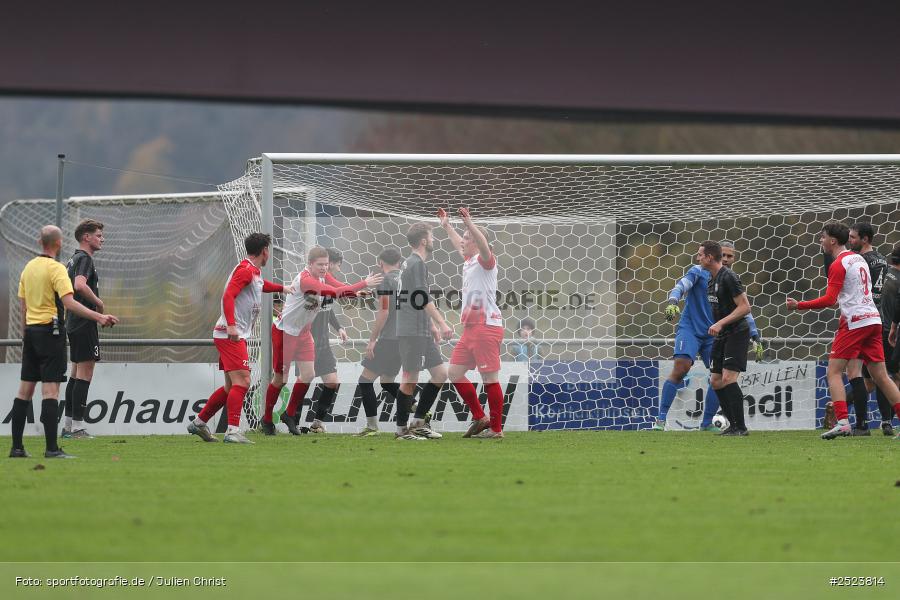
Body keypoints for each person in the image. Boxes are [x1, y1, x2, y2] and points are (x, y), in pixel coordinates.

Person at [9, 225, 117, 459]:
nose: (102, 239)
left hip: (30, 333)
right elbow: (70, 300)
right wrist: (99, 313)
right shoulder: (57, 268)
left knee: (24, 391)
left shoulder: (28, 268)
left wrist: (25, 335)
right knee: (51, 390)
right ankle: (54, 446)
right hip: (52, 331)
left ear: (40, 242)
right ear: (58, 244)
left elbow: (23, 305)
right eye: (99, 235)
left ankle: (17, 448)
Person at [786, 222, 900, 440]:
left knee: (834, 371)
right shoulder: (859, 259)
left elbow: (829, 300)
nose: (820, 241)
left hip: (855, 322)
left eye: (822, 237)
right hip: (873, 320)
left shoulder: (839, 264)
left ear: (832, 241)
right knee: (882, 377)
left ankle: (842, 422)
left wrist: (798, 305)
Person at [260, 246, 379, 435]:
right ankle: (266, 419)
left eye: (326, 264)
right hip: (286, 332)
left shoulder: (322, 276)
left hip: (304, 332)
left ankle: (289, 415)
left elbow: (338, 288)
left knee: (308, 374)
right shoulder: (306, 280)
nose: (324, 268)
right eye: (320, 265)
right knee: (280, 379)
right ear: (309, 264)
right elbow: (333, 292)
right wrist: (364, 282)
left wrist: (354, 293)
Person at [187, 233, 292, 444]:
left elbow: (262, 286)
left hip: (230, 334)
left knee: (230, 387)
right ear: (264, 251)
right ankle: (232, 431)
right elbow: (228, 296)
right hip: (230, 335)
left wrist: (283, 288)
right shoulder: (245, 271)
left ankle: (199, 423)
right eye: (268, 250)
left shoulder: (252, 271)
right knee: (243, 381)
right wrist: (232, 325)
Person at [440, 207, 506, 438]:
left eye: (468, 238)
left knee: (490, 379)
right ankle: (480, 418)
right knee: (455, 372)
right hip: (470, 329)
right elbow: (460, 242)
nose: (463, 240)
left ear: (479, 243)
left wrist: (470, 223)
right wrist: (447, 226)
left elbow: (482, 244)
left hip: (487, 326)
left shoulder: (487, 261)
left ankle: (496, 430)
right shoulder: (469, 261)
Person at [394, 222, 453, 440]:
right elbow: (420, 298)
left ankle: (418, 423)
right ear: (423, 241)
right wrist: (442, 323)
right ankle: (401, 431)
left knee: (440, 374)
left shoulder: (410, 263)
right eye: (432, 236)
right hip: (411, 330)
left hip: (420, 328)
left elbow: (412, 297)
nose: (434, 239)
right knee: (409, 379)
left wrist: (430, 326)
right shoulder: (415, 263)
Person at [845, 223, 894, 435]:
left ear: (865, 239)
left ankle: (860, 423)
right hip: (881, 321)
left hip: (862, 320)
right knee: (877, 377)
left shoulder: (859, 261)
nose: (850, 241)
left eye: (853, 237)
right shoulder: (883, 259)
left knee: (862, 375)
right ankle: (886, 422)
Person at [699, 241, 752, 436]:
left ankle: (741, 427)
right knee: (716, 381)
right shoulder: (711, 279)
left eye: (700, 255)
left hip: (737, 332)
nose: (698, 258)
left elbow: (745, 307)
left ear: (710, 257)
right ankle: (733, 425)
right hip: (722, 335)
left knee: (729, 378)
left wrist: (721, 323)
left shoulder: (729, 277)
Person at [351, 247, 404, 437]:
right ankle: (416, 406)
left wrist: (372, 340)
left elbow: (384, 311)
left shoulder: (385, 280)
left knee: (365, 381)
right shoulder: (407, 279)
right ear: (399, 262)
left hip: (388, 339)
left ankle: (372, 427)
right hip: (405, 339)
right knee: (388, 381)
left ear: (380, 263)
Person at [62, 219, 106, 440]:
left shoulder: (73, 259)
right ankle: (77, 427)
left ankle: (69, 425)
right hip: (83, 322)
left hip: (73, 321)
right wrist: (98, 302)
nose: (102, 238)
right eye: (98, 235)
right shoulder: (85, 259)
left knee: (75, 373)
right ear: (86, 237)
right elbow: (80, 285)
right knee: (85, 372)